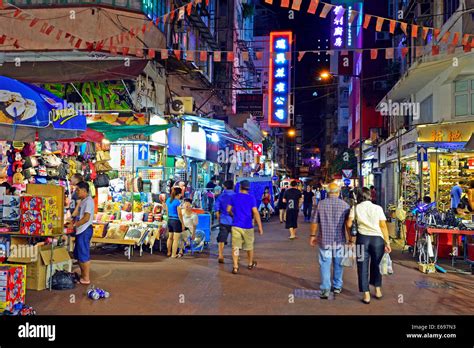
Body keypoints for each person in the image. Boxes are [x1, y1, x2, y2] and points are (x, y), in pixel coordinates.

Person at [346, 187, 392, 304]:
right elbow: (383, 225)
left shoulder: (355, 208)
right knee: (376, 265)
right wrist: (387, 242)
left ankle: (366, 294)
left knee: (362, 266)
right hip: (377, 240)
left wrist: (350, 238)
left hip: (362, 239)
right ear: (369, 196)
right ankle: (377, 290)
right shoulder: (378, 208)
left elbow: (349, 223)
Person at [309, 183, 350, 299]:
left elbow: (314, 222)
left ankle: (325, 289)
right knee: (338, 264)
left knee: (325, 264)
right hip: (339, 241)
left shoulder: (320, 204)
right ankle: (337, 286)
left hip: (324, 241)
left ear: (327, 193)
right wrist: (351, 240)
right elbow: (348, 225)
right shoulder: (345, 206)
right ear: (338, 192)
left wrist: (312, 235)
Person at [227, 180, 263, 274]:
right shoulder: (251, 198)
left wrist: (233, 215)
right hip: (248, 226)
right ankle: (250, 263)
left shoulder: (233, 197)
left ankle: (235, 266)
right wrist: (260, 227)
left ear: (240, 187)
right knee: (249, 246)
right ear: (248, 189)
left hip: (236, 225)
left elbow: (228, 210)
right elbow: (255, 212)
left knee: (235, 247)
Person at [71, 181, 94, 285]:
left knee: (84, 254)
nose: (76, 192)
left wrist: (75, 225)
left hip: (84, 230)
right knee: (80, 254)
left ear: (84, 190)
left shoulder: (88, 201)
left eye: (78, 190)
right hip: (81, 230)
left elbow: (86, 218)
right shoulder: (84, 201)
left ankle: (86, 278)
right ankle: (83, 276)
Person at [214, 180, 235, 263]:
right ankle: (235, 256)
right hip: (235, 221)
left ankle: (220, 255)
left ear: (224, 186)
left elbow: (216, 208)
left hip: (224, 220)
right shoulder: (236, 196)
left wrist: (219, 218)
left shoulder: (221, 196)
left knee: (222, 239)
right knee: (235, 240)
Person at [166, 187, 184, 258]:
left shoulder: (168, 200)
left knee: (170, 237)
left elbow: (167, 211)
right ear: (179, 194)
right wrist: (182, 223)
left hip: (169, 220)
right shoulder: (177, 202)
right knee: (175, 239)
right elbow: (179, 214)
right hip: (176, 221)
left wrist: (168, 219)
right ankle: (174, 254)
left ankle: (168, 252)